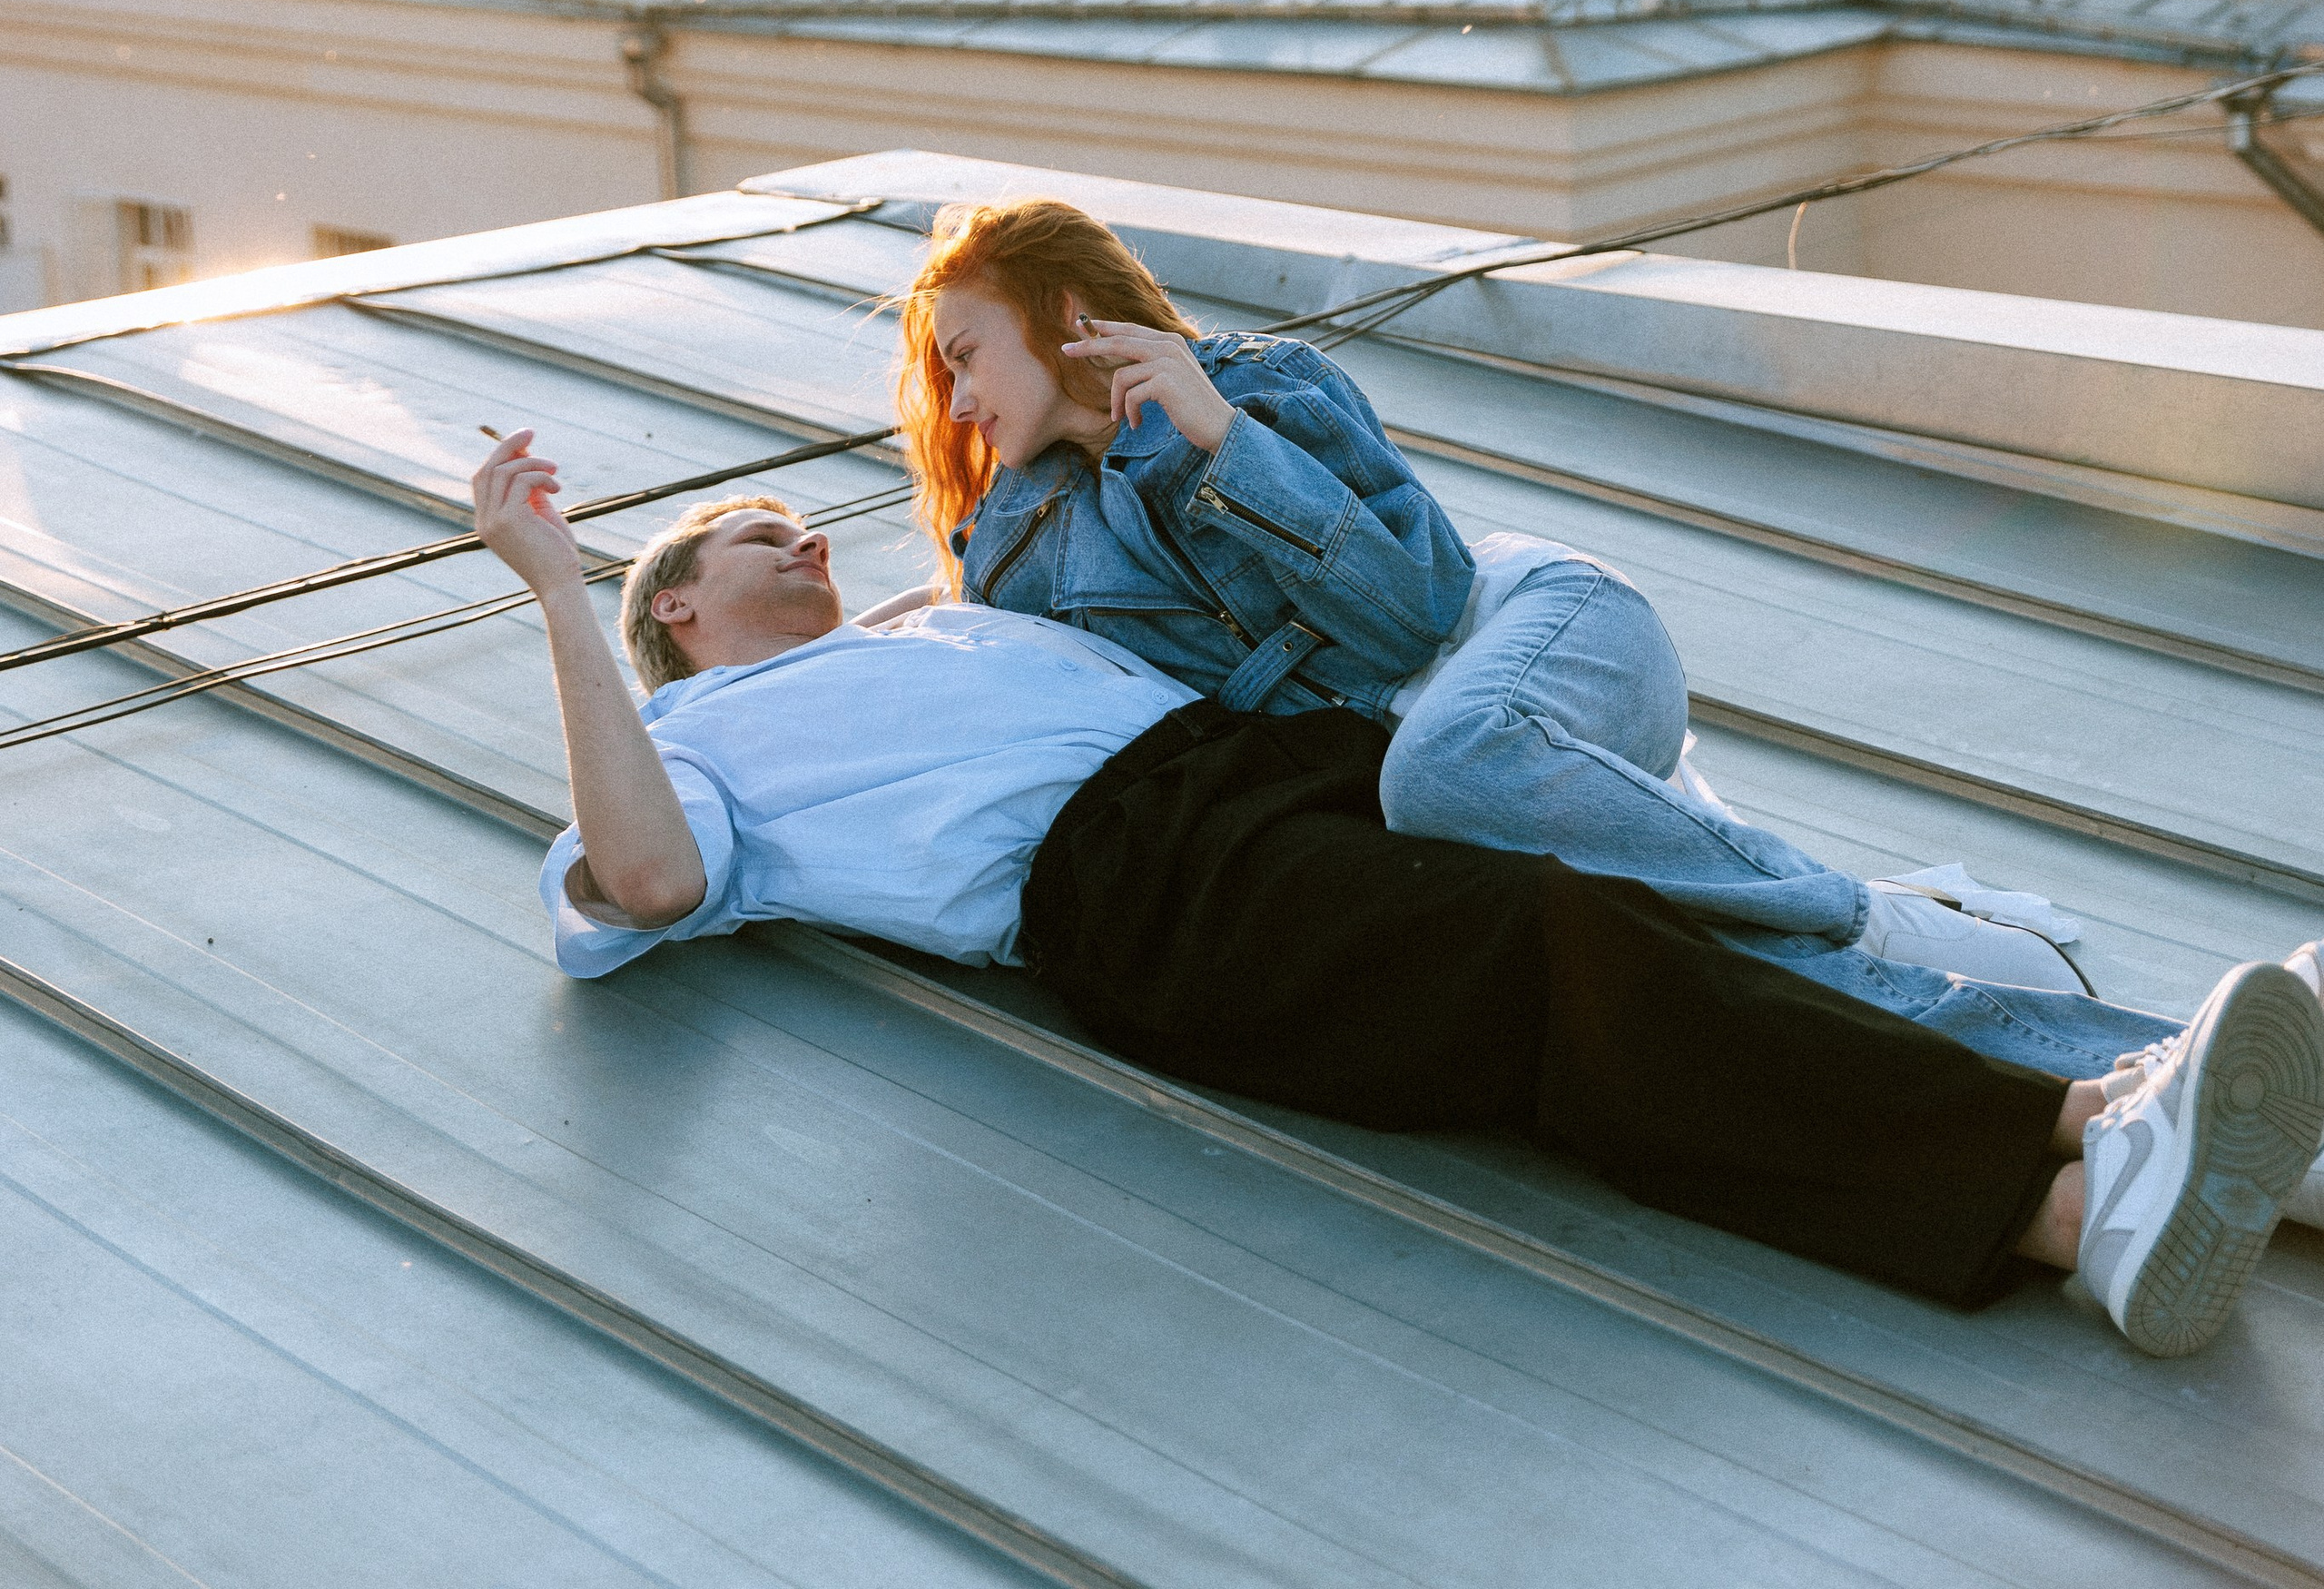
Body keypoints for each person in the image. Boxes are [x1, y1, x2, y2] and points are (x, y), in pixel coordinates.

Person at [472, 429, 2324, 1364]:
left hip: (1262, 766)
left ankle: (2128, 1098)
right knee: (1555, 967)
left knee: (1663, 909)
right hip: (1140, 879)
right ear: (681, 618)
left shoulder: (935, 615)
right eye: (740, 538)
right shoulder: (704, 738)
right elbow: (639, 873)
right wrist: (556, 589)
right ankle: (2065, 1205)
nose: (795, 528)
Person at [895, 198, 2095, 1042]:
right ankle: (2006, 1008)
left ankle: (1869, 915)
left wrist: (1220, 444)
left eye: (967, 353)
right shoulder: (1020, 556)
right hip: (1460, 770)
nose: (955, 398)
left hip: (1538, 633)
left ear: (1060, 313)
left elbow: (1411, 613)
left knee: (1444, 766)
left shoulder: (1258, 389)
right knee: (1652, 945)